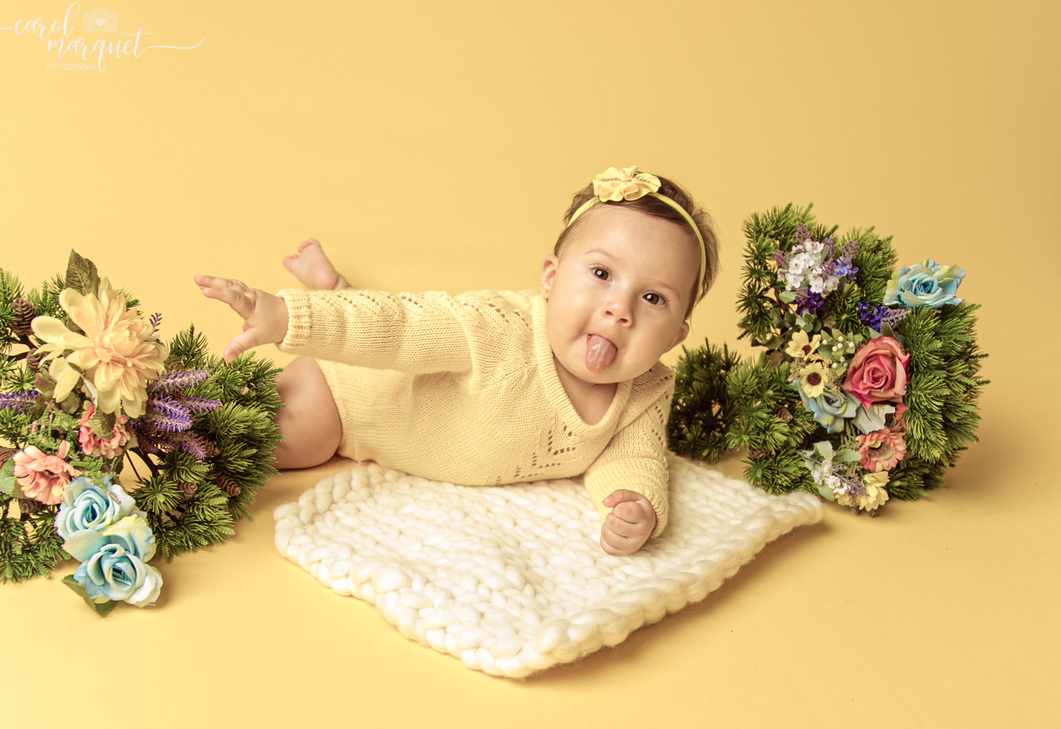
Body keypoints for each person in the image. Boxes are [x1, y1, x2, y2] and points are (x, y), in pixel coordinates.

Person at [194, 166, 718, 555]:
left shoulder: (648, 389)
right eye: (602, 274)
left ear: (676, 335)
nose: (619, 308)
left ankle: (337, 288)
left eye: (653, 299)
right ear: (552, 279)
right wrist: (288, 318)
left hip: (406, 376)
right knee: (281, 441)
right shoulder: (498, 329)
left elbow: (636, 457)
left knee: (405, 341)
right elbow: (403, 328)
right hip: (351, 393)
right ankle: (177, 420)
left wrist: (636, 503)